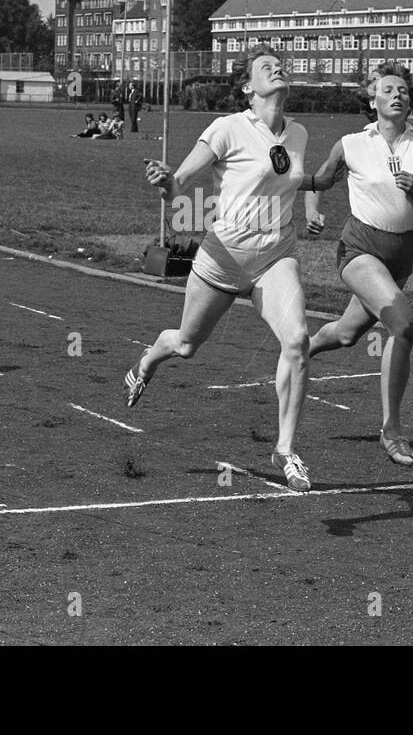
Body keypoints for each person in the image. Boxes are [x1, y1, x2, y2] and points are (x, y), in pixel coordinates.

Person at [125, 43, 322, 491]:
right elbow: (179, 184)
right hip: (223, 258)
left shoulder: (300, 133)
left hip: (276, 256)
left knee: (297, 342)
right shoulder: (228, 128)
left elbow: (295, 180)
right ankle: (147, 361)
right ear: (247, 87)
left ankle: (286, 449)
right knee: (186, 345)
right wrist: (164, 181)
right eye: (265, 67)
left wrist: (313, 200)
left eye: (279, 64)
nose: (276, 69)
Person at [305, 62, 413, 466]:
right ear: (373, 99)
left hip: (401, 257)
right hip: (359, 250)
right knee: (403, 326)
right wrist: (307, 206)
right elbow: (319, 180)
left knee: (348, 334)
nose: (398, 94)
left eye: (404, 89)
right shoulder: (351, 143)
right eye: (388, 89)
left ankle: (300, 350)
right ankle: (392, 432)